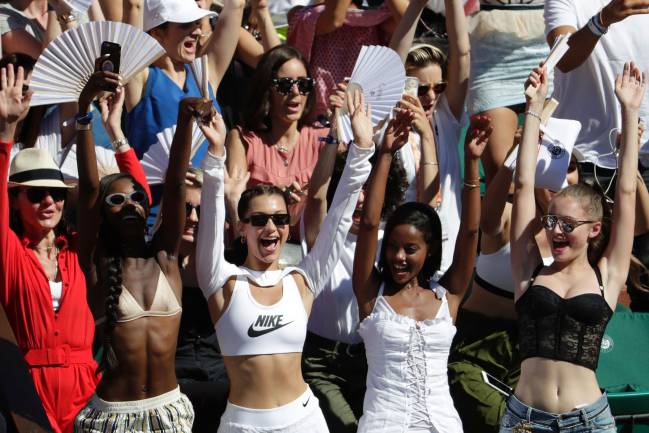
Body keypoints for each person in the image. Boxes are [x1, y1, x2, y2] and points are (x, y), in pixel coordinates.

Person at [196, 89, 375, 433]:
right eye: (259, 220)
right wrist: (216, 155)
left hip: (305, 421)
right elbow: (210, 218)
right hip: (244, 425)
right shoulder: (222, 280)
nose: (271, 228)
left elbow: (338, 217)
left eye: (279, 219)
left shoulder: (302, 279)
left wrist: (361, 151)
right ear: (242, 227)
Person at [500, 63, 644, 433]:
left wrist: (630, 113)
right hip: (525, 421)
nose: (556, 231)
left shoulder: (607, 275)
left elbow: (626, 192)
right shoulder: (530, 266)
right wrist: (533, 107)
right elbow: (524, 180)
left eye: (568, 225)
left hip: (588, 422)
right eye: (552, 221)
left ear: (595, 229)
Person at [72, 71, 209, 432]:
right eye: (117, 200)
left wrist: (184, 117)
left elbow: (176, 182)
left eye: (137, 198)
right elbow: (88, 188)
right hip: (114, 418)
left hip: (170, 412)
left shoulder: (165, 257)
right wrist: (84, 110)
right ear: (102, 213)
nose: (131, 204)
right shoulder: (97, 264)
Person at [353, 111, 490, 433]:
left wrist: (471, 162)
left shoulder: (448, 295)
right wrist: (385, 154)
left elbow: (471, 233)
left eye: (410, 249)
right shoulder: (372, 294)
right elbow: (371, 224)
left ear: (429, 250)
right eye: (392, 247)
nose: (398, 257)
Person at [448, 137, 579, 432]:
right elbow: (487, 221)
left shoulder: (582, 239)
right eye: (546, 167)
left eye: (570, 167)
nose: (561, 176)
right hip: (478, 352)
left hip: (536, 359)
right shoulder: (509, 217)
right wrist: (514, 154)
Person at [0, 65, 99, 433]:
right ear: (13, 201)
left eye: (56, 194)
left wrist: (87, 109)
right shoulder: (11, 254)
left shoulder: (76, 251)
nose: (48, 202)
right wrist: (7, 131)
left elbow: (91, 193)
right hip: (27, 392)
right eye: (36, 194)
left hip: (85, 393)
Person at [388, 0, 470, 279]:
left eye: (440, 87)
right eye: (422, 89)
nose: (432, 97)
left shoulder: (445, 116)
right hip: (401, 252)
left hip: (446, 248)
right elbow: (391, 64)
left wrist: (453, 3)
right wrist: (416, 6)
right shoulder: (391, 124)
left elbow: (462, 55)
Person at [225, 45, 328, 234]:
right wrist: (276, 202)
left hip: (308, 252)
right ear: (266, 88)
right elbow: (234, 203)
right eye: (285, 84)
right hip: (255, 249)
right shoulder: (242, 139)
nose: (296, 92)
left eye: (304, 84)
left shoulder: (323, 139)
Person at [468, 0, 551, 183]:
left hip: (547, 57)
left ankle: (549, 213)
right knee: (504, 172)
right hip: (489, 63)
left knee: (551, 166)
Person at [173, 167, 230, 433]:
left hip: (220, 383)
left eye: (200, 210)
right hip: (172, 385)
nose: (193, 217)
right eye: (185, 208)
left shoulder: (228, 266)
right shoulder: (154, 266)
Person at [287, 0, 407, 122]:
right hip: (323, 117)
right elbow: (335, 19)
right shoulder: (308, 16)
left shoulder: (382, 15)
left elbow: (409, 21)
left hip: (370, 113)